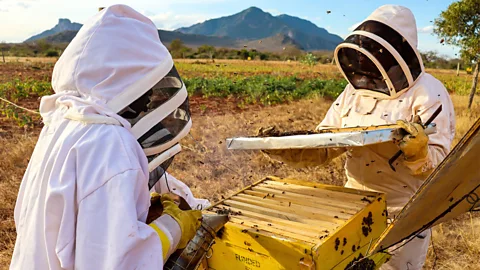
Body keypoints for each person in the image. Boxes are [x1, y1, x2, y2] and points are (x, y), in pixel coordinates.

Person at [11, 5, 208, 269]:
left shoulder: (64, 121)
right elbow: (122, 262)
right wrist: (173, 226)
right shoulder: (111, 144)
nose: (149, 101)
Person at [261, 5, 455, 269]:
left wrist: (420, 154)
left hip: (403, 215)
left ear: (398, 54)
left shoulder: (429, 93)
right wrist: (287, 147)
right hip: (352, 206)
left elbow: (443, 168)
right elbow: (326, 143)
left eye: (377, 55)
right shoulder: (353, 92)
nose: (367, 66)